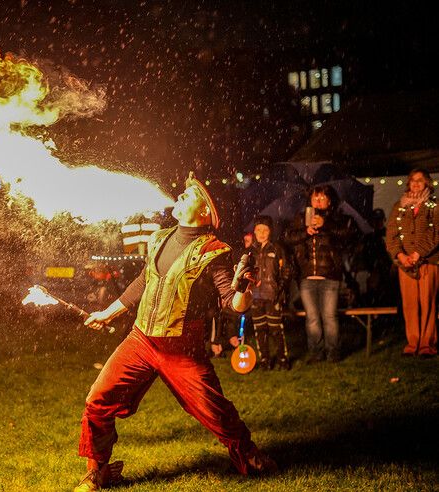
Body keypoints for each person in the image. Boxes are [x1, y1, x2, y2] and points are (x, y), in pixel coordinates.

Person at [73, 175, 276, 492]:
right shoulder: (159, 237)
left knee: (216, 412)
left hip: (182, 348)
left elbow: (233, 303)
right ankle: (96, 471)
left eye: (190, 194)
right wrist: (107, 312)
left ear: (206, 213)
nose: (181, 195)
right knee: (98, 400)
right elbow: (144, 281)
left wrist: (243, 288)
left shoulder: (214, 252)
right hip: (140, 340)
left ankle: (250, 457)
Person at [284, 185, 355, 363]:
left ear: (329, 200)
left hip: (330, 275)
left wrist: (327, 225)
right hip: (307, 276)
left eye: (322, 198)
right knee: (312, 318)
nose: (318, 201)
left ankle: (333, 352)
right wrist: (305, 232)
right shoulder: (302, 218)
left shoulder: (338, 218)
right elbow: (288, 238)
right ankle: (316, 352)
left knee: (329, 316)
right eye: (315, 198)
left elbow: (348, 235)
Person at [385, 168, 439, 358]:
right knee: (410, 304)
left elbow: (435, 233)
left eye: (420, 180)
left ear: (427, 184)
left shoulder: (433, 207)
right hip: (405, 264)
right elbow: (391, 236)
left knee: (428, 303)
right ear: (408, 183)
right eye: (413, 180)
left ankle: (427, 343)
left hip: (428, 262)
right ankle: (413, 341)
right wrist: (400, 255)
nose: (416, 183)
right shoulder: (398, 207)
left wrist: (418, 253)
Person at [246, 215, 292, 370]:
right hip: (255, 297)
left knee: (275, 329)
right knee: (260, 330)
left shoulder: (277, 248)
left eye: (265, 229)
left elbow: (286, 270)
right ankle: (265, 359)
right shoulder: (250, 251)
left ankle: (282, 358)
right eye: (259, 229)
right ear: (254, 231)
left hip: (273, 295)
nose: (262, 233)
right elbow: (244, 272)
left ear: (270, 231)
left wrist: (280, 289)